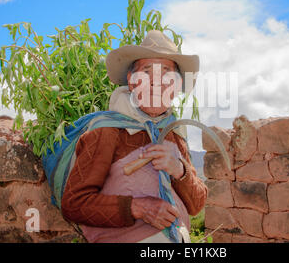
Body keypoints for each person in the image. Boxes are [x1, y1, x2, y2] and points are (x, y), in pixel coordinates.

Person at [60, 30, 207, 243]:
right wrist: (138, 208)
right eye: (147, 72)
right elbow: (74, 205)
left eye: (166, 72)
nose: (157, 81)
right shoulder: (107, 131)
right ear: (131, 81)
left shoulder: (174, 135)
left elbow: (196, 205)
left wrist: (179, 170)